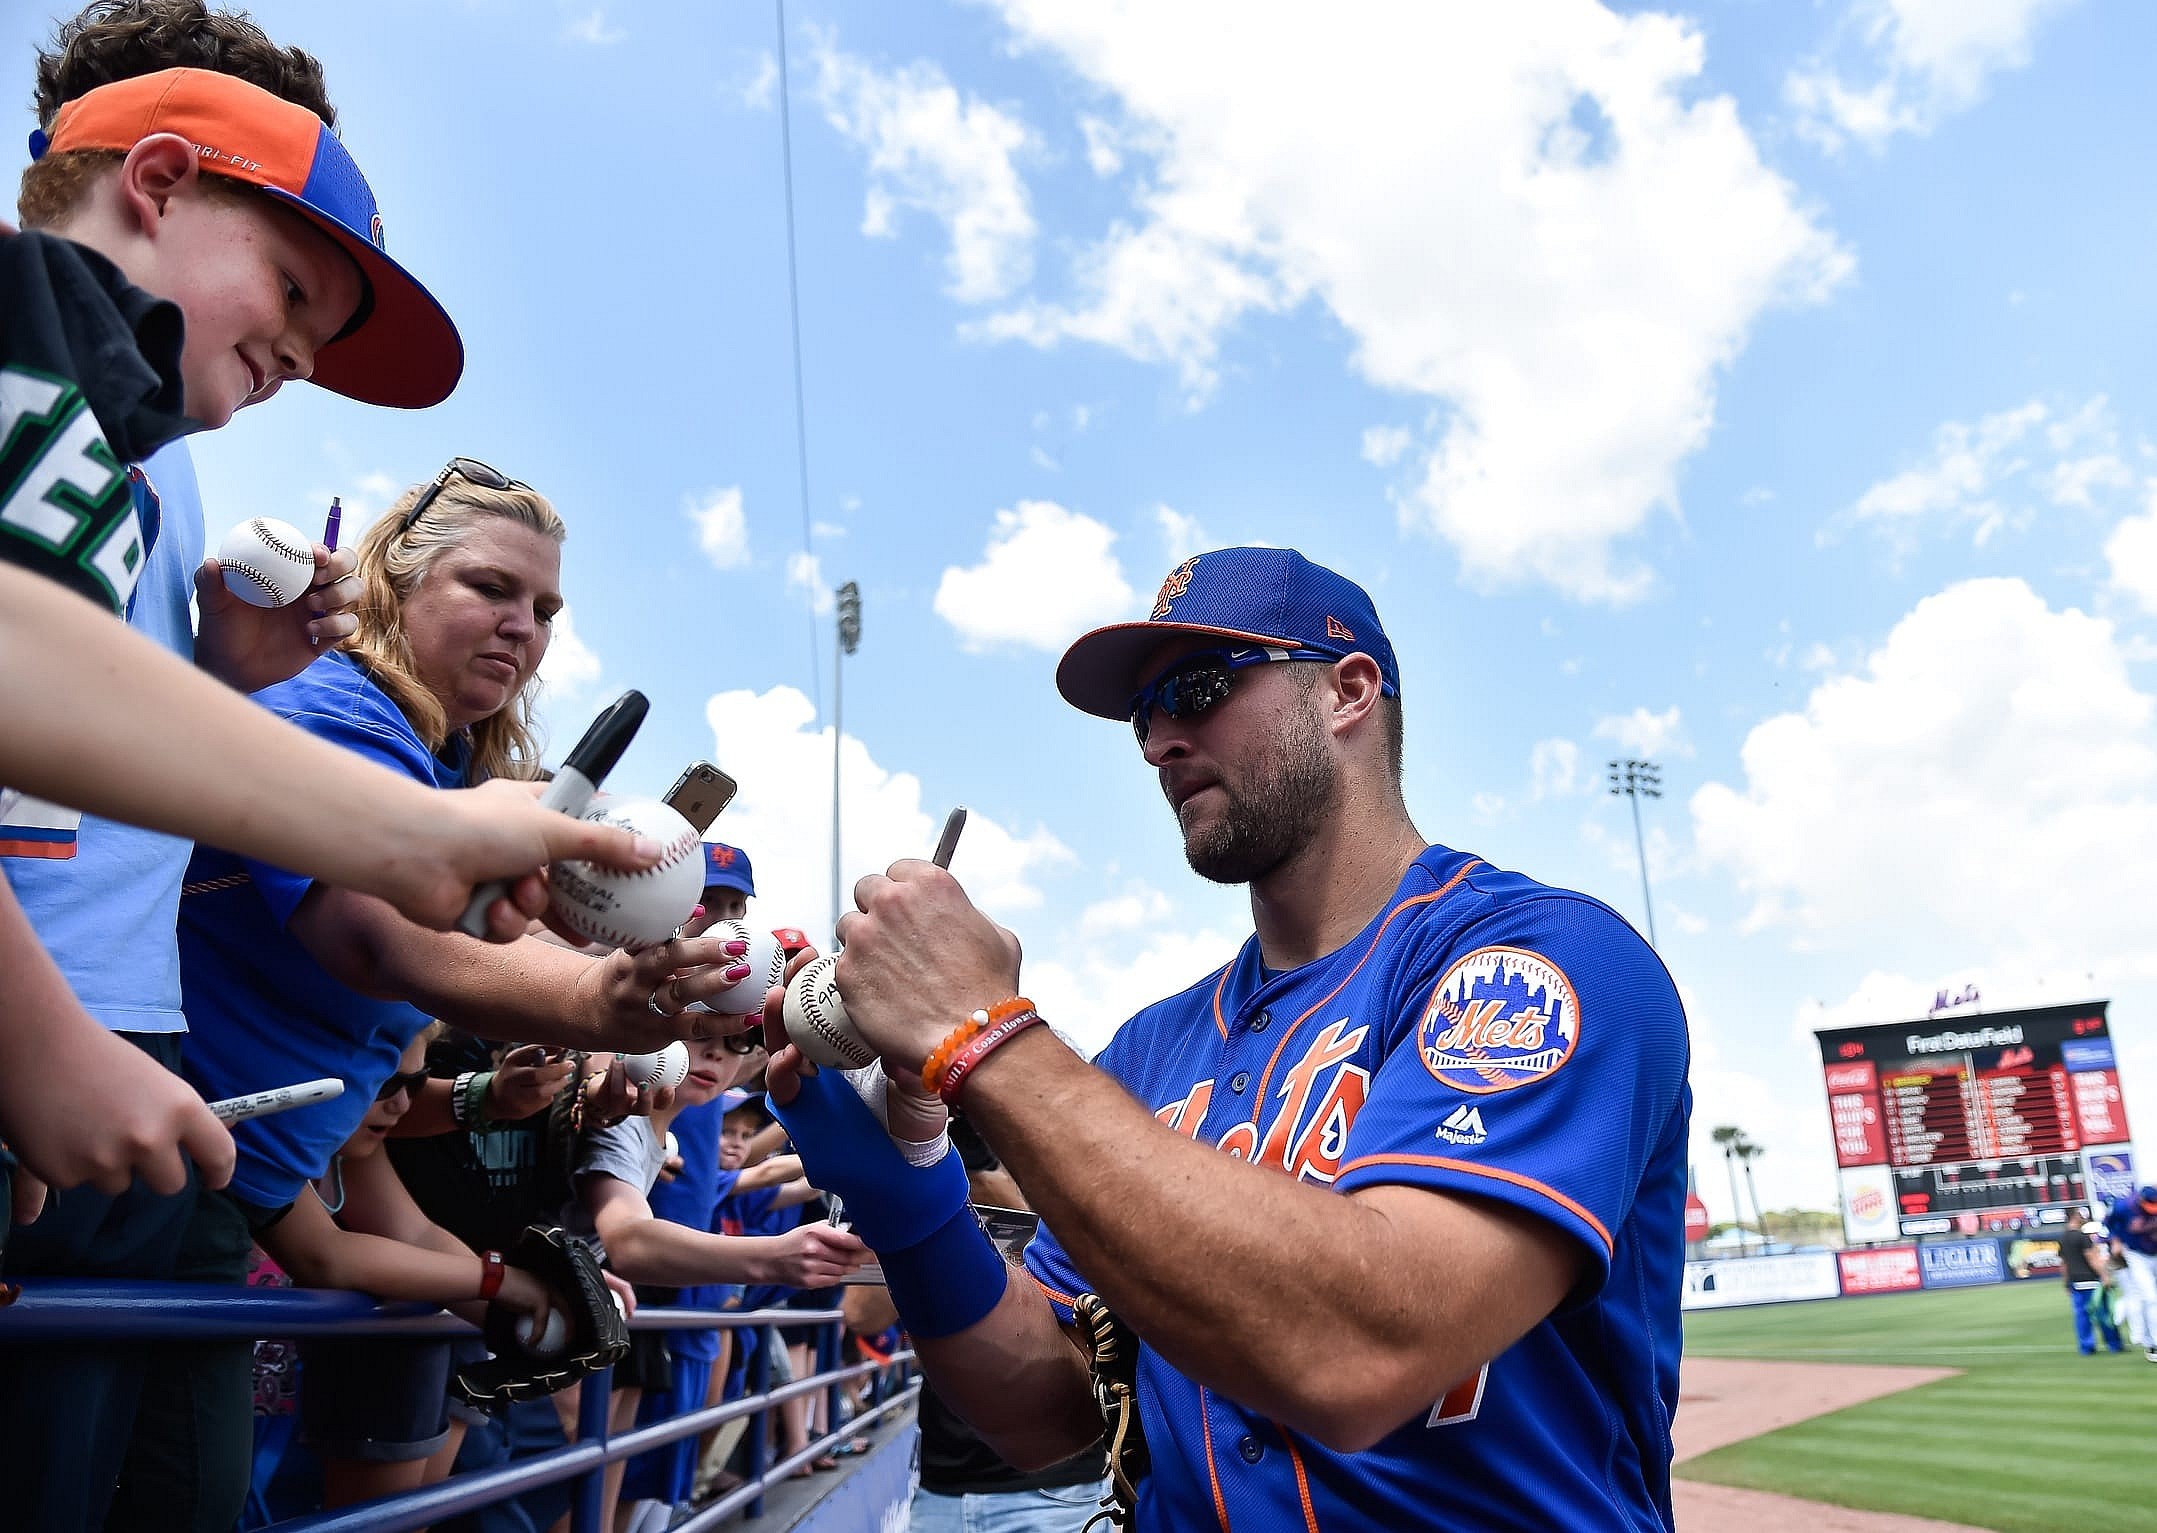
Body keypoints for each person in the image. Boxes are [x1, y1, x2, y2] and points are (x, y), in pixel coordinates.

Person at [767, 547, 1692, 1530]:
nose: (1162, 739)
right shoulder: (1149, 1051)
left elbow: (1364, 1350)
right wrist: (911, 1205)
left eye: (1198, 688)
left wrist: (984, 1035)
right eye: (1143, 717)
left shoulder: (1536, 960)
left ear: (1347, 692)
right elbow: (1046, 1413)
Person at [165, 470, 753, 1529]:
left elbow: (491, 931)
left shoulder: (443, 770)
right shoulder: (340, 703)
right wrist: (599, 1000)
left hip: (245, 1204)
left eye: (544, 610)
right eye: (491, 586)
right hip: (168, 1189)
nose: (522, 627)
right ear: (396, 576)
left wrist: (608, 960)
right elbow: (376, 931)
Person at [254, 1027, 606, 1511]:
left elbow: (416, 1233)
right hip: (238, 1402)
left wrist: (533, 1313)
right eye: (383, 1085)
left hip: (282, 1408)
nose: (401, 1106)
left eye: (417, 1084)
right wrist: (502, 1284)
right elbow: (326, 1254)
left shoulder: (353, 1149)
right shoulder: (262, 1132)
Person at [559, 1039, 866, 1530]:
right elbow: (629, 1242)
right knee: (575, 1486)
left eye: (736, 1043)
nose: (715, 1057)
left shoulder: (667, 1145)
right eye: (698, 1035)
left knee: (616, 1484)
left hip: (627, 1327)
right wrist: (775, 1258)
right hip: (583, 1328)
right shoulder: (616, 1116)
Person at [843, 1112, 1110, 1533]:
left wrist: (984, 1174)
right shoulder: (917, 1186)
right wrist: (919, 1185)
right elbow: (862, 1315)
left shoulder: (1065, 1180)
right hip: (944, 1487)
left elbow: (1056, 1279)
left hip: (1055, 1491)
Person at [2059, 1206, 2123, 1356]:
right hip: (2091, 1281)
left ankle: (2086, 1347)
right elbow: (2092, 1258)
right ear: (2074, 1216)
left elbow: (2064, 1264)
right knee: (2104, 1314)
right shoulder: (2082, 1237)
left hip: (2076, 1282)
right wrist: (2105, 1276)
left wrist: (2066, 1283)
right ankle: (2114, 1345)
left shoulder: (2063, 1237)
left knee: (2082, 1316)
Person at [2105, 1185, 2157, 1362]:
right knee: (2149, 1297)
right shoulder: (2124, 1207)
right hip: (2137, 1254)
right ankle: (2153, 1344)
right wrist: (2116, 1241)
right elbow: (2109, 1223)